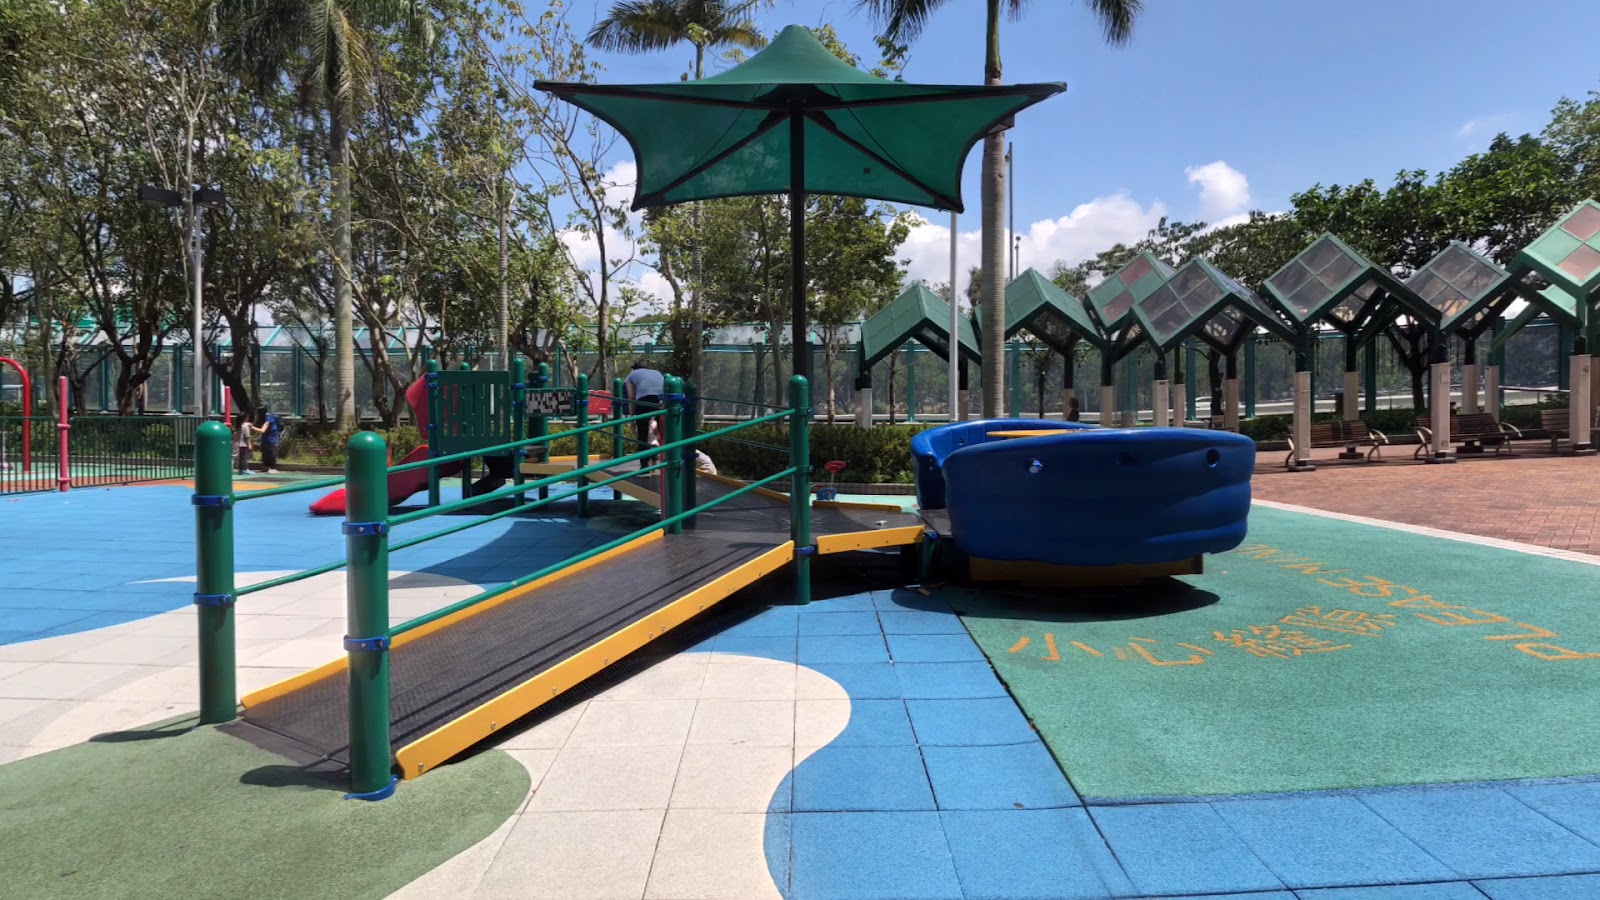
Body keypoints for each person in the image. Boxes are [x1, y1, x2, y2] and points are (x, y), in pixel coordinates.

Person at [624, 358, 665, 463]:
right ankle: (665, 460)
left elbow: (631, 397)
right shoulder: (657, 373)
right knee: (662, 431)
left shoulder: (632, 375)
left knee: (642, 432)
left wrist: (632, 418)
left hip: (644, 400)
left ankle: (644, 466)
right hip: (661, 400)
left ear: (634, 368)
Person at [259, 404, 282, 473]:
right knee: (264, 452)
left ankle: (273, 467)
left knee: (271, 452)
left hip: (271, 438)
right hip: (265, 438)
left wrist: (251, 427)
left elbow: (262, 430)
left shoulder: (269, 418)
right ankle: (266, 466)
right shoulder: (262, 418)